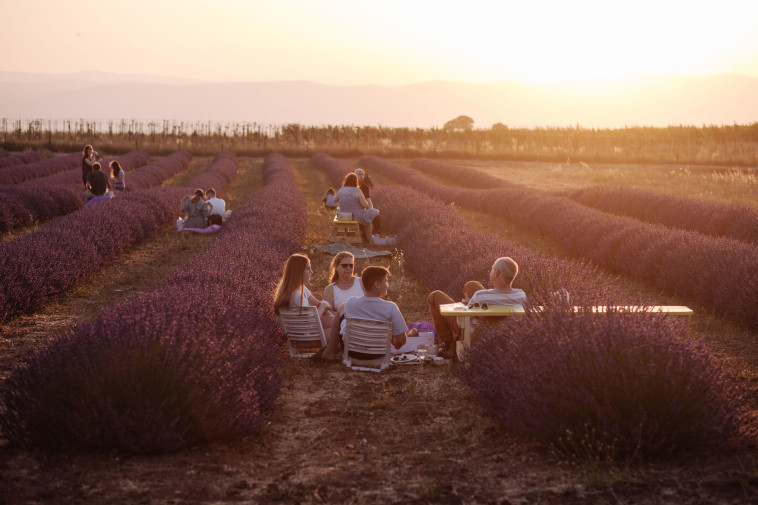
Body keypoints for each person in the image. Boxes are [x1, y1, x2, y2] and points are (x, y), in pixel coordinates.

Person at [428, 257, 527, 359]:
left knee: (434, 296)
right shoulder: (521, 294)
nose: (490, 272)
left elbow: (462, 319)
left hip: (475, 335)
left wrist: (464, 305)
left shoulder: (480, 296)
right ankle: (451, 345)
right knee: (472, 285)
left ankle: (448, 343)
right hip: (504, 332)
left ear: (496, 273)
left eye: (492, 269)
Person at [322, 265, 418, 361]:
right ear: (377, 284)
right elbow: (401, 340)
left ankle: (330, 352)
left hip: (352, 352)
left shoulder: (350, 303)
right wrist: (396, 344)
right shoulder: (391, 307)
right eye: (386, 281)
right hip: (378, 354)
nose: (388, 285)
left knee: (341, 308)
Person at [273, 253, 335, 331]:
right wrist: (324, 305)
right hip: (305, 337)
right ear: (299, 271)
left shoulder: (299, 288)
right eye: (308, 268)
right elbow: (310, 323)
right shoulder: (296, 296)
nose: (311, 272)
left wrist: (323, 306)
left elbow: (317, 303)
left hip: (301, 333)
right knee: (338, 333)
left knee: (337, 325)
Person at [333, 173, 381, 246]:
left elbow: (335, 200)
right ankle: (370, 241)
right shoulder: (357, 190)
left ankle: (366, 239)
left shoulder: (341, 189)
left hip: (344, 216)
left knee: (367, 218)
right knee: (373, 214)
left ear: (346, 181)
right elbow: (365, 205)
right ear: (356, 181)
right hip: (356, 217)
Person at [354, 168, 381, 234]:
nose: (361, 176)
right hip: (355, 212)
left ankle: (377, 233)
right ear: (355, 175)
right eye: (359, 174)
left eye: (363, 174)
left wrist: (370, 211)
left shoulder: (365, 187)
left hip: (362, 210)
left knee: (375, 214)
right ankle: (368, 236)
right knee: (367, 216)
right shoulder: (352, 186)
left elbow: (369, 201)